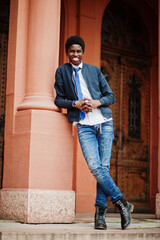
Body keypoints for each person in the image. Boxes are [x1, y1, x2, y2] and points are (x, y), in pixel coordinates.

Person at [54, 35, 134, 230]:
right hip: (84, 125)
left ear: (82, 52)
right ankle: (122, 202)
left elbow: (111, 96)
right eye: (72, 51)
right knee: (96, 167)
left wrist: (97, 102)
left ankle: (100, 215)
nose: (75, 54)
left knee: (103, 169)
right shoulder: (62, 72)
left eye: (78, 51)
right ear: (67, 53)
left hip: (104, 122)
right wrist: (76, 104)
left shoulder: (94, 70)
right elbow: (59, 100)